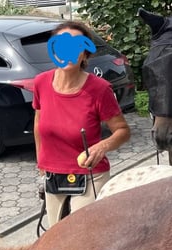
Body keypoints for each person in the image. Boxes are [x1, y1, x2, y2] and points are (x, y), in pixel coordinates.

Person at [33, 20, 131, 229]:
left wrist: (102, 147)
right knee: (55, 236)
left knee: (83, 238)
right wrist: (41, 165)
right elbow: (38, 123)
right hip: (53, 175)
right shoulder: (41, 83)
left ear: (85, 54)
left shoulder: (99, 89)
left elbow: (123, 131)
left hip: (90, 175)